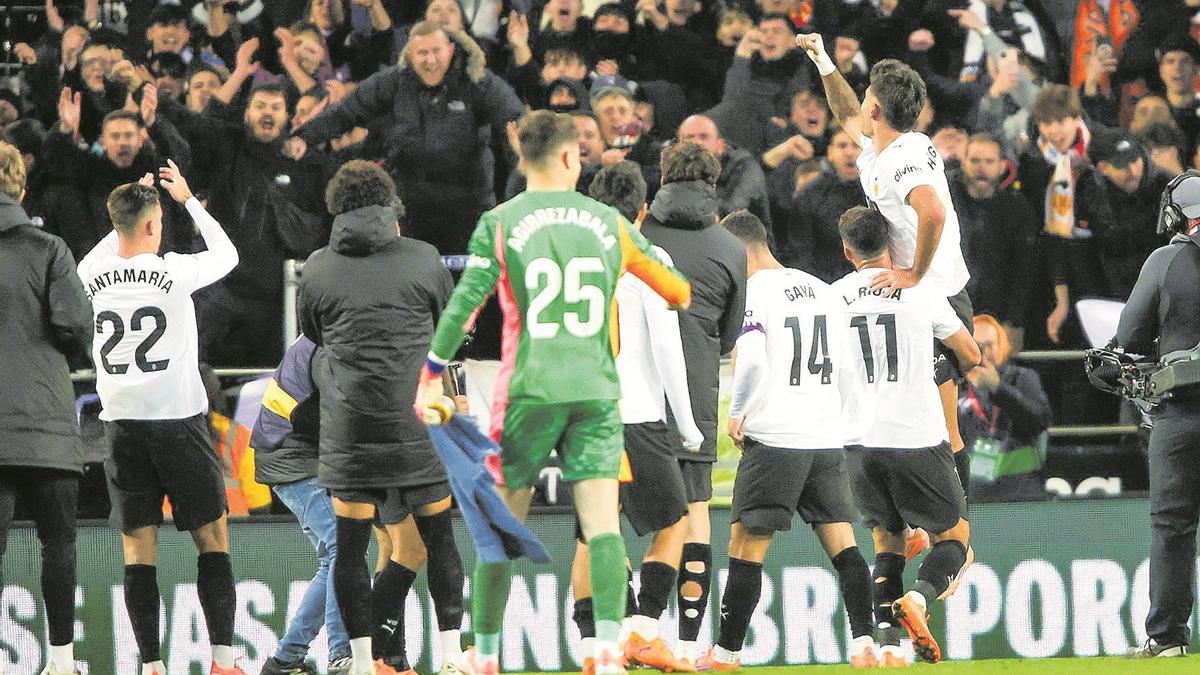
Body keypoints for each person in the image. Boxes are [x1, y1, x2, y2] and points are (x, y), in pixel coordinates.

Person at [416, 110, 691, 675]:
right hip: (595, 393)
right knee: (603, 526)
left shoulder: (500, 219)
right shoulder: (609, 224)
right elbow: (678, 293)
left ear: (521, 158)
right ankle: (610, 654)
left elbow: (464, 304)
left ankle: (485, 656)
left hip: (528, 393)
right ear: (572, 158)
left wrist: (428, 378)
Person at [76, 162, 244, 675]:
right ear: (156, 225)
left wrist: (133, 207)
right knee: (212, 538)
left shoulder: (90, 275)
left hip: (121, 424)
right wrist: (189, 199)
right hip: (178, 420)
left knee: (137, 549)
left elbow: (111, 242)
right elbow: (228, 255)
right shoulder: (172, 271)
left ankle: (151, 665)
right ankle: (221, 660)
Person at [297, 160, 463, 675]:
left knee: (350, 550)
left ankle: (365, 663)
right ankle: (454, 656)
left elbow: (315, 334)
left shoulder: (318, 267)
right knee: (439, 539)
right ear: (389, 207)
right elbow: (449, 328)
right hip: (418, 423)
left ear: (337, 209)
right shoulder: (424, 258)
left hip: (350, 429)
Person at [798, 33, 975, 500]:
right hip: (917, 300)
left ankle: (958, 528)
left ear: (876, 108)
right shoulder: (881, 146)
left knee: (943, 425)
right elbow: (846, 113)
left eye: (867, 97)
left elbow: (932, 211)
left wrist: (914, 274)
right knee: (909, 420)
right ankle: (927, 521)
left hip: (935, 296)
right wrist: (823, 62)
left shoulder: (904, 159)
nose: (861, 103)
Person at [700, 210, 877, 671]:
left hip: (775, 438)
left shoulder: (752, 294)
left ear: (738, 251)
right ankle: (865, 646)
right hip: (822, 437)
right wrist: (844, 425)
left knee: (745, 549)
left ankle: (725, 655)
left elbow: (753, 360)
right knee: (845, 546)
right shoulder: (822, 289)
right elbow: (849, 364)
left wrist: (737, 411)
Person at [566, 161, 703, 674]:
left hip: (580, 414)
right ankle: (641, 631)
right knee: (674, 523)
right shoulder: (647, 254)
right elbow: (668, 348)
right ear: (643, 210)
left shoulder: (570, 257)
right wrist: (686, 424)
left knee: (590, 534)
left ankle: (595, 654)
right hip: (636, 413)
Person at [832, 206, 980, 666]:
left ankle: (891, 647)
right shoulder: (921, 291)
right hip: (917, 434)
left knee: (886, 541)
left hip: (859, 438)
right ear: (893, 243)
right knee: (956, 539)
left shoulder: (831, 297)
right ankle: (919, 598)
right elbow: (971, 355)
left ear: (846, 250)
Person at [638, 141, 746, 664]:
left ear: (662, 177)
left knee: (603, 520)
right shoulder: (730, 248)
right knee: (694, 516)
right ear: (713, 182)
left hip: (630, 395)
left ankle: (617, 634)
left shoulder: (634, 235)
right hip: (696, 395)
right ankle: (683, 646)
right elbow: (730, 338)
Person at [287, 21, 524, 255]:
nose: (430, 61)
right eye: (422, 53)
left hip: (469, 206)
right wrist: (304, 137)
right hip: (411, 206)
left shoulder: (478, 80)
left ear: (450, 50)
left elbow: (514, 118)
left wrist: (524, 151)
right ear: (410, 53)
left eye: (436, 52)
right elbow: (347, 111)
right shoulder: (394, 81)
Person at [0, 140, 92, 675]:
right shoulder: (48, 248)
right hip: (47, 423)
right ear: (21, 187)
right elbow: (75, 326)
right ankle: (60, 662)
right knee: (58, 544)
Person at [1113, 170, 1200, 659]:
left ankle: (1167, 639)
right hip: (1180, 410)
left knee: (1173, 525)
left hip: (1182, 411)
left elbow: (1128, 338)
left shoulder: (1166, 260)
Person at [249, 335, 353, 675]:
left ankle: (285, 660)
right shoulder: (330, 342)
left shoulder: (324, 330)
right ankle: (341, 655)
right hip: (292, 455)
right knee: (342, 547)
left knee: (335, 555)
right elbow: (340, 410)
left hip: (292, 453)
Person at [950, 133, 1039, 342]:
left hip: (998, 316)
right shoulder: (946, 202)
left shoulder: (1017, 210)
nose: (981, 167)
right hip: (951, 315)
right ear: (963, 163)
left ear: (1001, 166)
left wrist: (1014, 321)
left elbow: (1024, 271)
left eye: (989, 161)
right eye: (975, 160)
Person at [960, 315, 1052, 501]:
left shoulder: (1022, 377)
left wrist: (998, 389)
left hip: (1021, 493)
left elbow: (1040, 422)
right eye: (978, 346)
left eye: (990, 345)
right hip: (970, 497)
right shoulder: (952, 386)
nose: (984, 353)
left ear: (1001, 346)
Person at [782, 125, 863, 283]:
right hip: (824, 283)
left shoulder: (877, 192)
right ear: (830, 152)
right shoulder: (808, 195)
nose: (849, 152)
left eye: (855, 146)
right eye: (842, 146)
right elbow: (800, 253)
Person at [676, 114, 773, 232]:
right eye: (689, 138)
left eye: (704, 137)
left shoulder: (745, 167)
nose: (696, 143)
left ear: (720, 145)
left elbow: (730, 213)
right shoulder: (672, 169)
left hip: (747, 245)